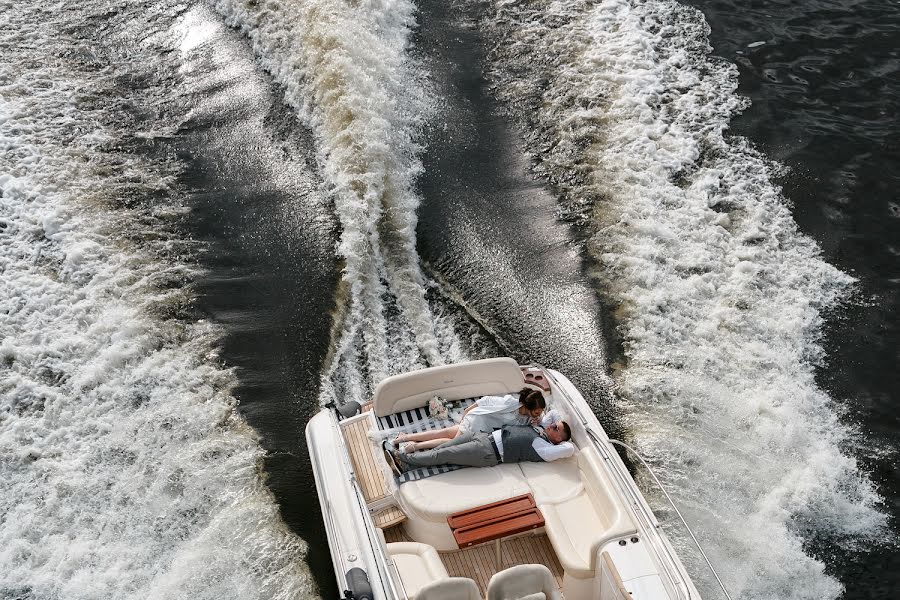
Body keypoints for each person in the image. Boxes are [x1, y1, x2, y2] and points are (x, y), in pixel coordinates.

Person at [384, 421, 574, 475]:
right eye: (554, 424)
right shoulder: (541, 428)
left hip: (487, 453)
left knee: (445, 453)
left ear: (558, 438)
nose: (552, 425)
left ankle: (402, 459)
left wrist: (567, 441)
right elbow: (553, 414)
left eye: (556, 428)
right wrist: (553, 428)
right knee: (444, 447)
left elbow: (569, 449)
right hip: (482, 436)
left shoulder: (545, 449)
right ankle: (407, 467)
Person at [392, 388, 546, 453]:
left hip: (480, 426)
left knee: (444, 432)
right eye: (537, 412)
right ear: (527, 405)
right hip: (476, 422)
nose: (538, 415)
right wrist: (467, 411)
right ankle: (413, 447)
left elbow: (534, 426)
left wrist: (536, 421)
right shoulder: (510, 403)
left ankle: (404, 437)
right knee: (449, 442)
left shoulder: (528, 419)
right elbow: (486, 400)